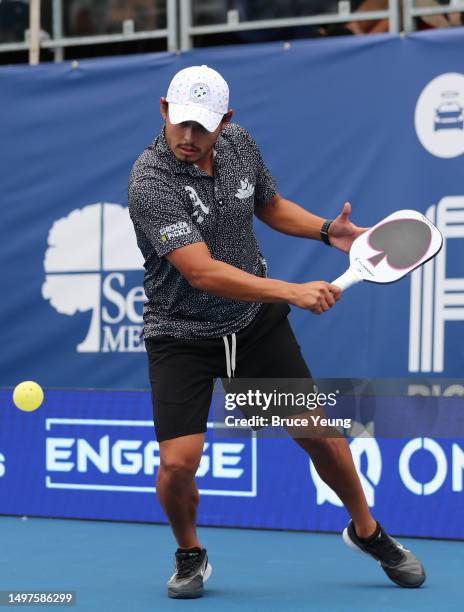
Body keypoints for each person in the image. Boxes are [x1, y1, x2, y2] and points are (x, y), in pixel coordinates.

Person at [128, 64, 426, 599]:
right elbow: (201, 271)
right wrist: (292, 291)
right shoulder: (150, 179)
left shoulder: (240, 143)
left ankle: (367, 531)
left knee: (322, 437)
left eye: (204, 125)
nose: (190, 137)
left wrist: (324, 230)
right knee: (177, 462)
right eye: (182, 123)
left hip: (253, 329)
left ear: (226, 122)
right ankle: (190, 552)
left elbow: (266, 204)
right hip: (180, 334)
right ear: (164, 110)